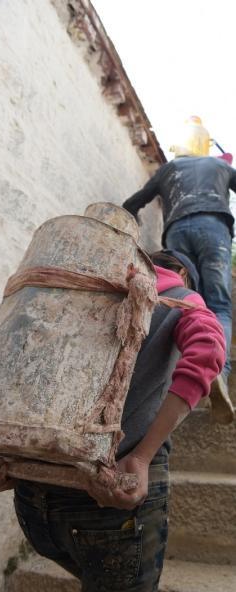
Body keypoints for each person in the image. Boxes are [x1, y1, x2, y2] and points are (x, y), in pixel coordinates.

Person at [0, 249, 226, 592]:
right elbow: (208, 352)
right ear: (181, 273)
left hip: (31, 504)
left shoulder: (77, 286)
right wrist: (143, 457)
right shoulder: (182, 297)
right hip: (111, 500)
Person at [123, 116, 236, 422]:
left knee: (187, 302)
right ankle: (218, 368)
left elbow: (134, 202)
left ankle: (189, 362)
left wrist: (132, 220)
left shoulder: (169, 169)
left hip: (176, 232)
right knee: (220, 305)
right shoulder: (221, 167)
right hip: (214, 229)